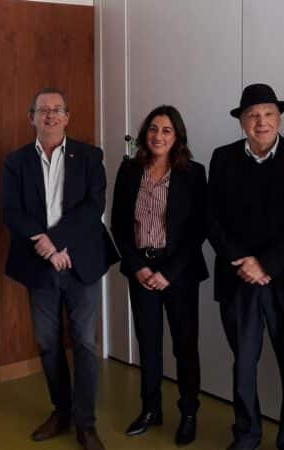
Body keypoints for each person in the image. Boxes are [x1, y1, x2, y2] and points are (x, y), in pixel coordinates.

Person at [207, 83, 284, 450]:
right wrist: (244, 263)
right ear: (241, 121)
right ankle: (246, 436)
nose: (261, 122)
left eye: (268, 114)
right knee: (243, 365)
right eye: (253, 115)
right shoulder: (222, 158)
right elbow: (212, 220)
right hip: (238, 279)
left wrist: (266, 264)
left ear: (280, 118)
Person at [1, 88, 119, 450]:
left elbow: (93, 206)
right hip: (39, 264)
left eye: (57, 109)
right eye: (43, 110)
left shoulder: (89, 156)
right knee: (47, 342)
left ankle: (86, 423)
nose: (50, 115)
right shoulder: (16, 161)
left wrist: (56, 241)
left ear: (67, 117)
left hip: (81, 262)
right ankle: (61, 411)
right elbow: (11, 211)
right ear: (31, 118)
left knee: (83, 342)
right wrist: (46, 246)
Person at [111, 105, 208, 446]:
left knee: (185, 346)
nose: (158, 136)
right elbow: (119, 225)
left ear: (177, 136)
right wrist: (138, 266)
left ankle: (189, 412)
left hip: (178, 272)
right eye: (153, 129)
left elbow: (198, 229)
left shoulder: (193, 173)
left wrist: (168, 271)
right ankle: (151, 409)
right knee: (148, 345)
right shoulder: (129, 170)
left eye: (167, 130)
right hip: (141, 269)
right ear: (144, 134)